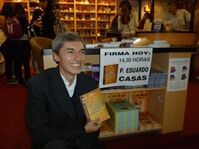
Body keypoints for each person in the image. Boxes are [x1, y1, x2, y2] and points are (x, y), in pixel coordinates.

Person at [26, 32, 103, 149]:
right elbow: (39, 133)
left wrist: (96, 122)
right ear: (56, 56)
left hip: (82, 141)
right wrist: (83, 129)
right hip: (52, 143)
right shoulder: (38, 85)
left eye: (81, 52)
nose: (78, 58)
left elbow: (96, 125)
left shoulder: (90, 84)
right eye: (70, 52)